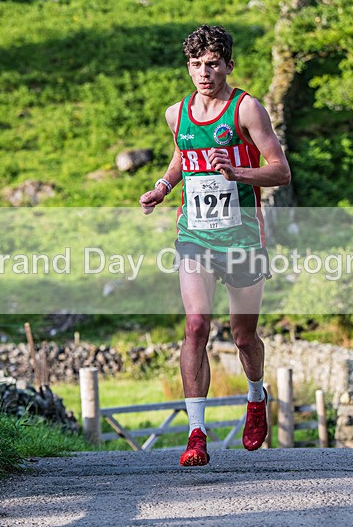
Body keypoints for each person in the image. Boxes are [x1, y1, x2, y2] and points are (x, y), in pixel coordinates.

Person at [140, 24, 291, 467]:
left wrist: (239, 173)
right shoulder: (176, 114)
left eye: (212, 64)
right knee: (195, 325)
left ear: (228, 64)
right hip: (195, 236)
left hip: (242, 237)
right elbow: (181, 157)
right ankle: (196, 434)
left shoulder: (248, 110)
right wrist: (163, 187)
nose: (204, 73)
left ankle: (256, 397)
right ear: (188, 67)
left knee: (244, 337)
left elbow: (280, 171)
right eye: (195, 65)